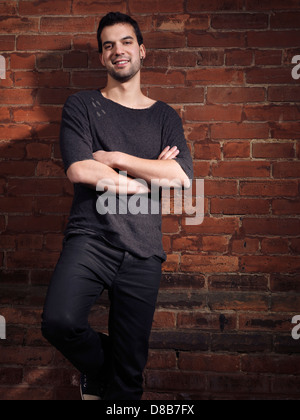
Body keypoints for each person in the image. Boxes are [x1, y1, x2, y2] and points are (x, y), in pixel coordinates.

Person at [41, 12, 193, 401]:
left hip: (144, 251)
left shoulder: (164, 116)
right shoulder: (83, 106)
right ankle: (101, 366)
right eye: (108, 45)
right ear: (101, 57)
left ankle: (115, 376)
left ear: (141, 51)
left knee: (127, 385)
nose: (117, 51)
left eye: (126, 42)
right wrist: (149, 176)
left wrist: (115, 157)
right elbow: (79, 169)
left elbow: (180, 178)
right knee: (59, 322)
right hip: (90, 239)